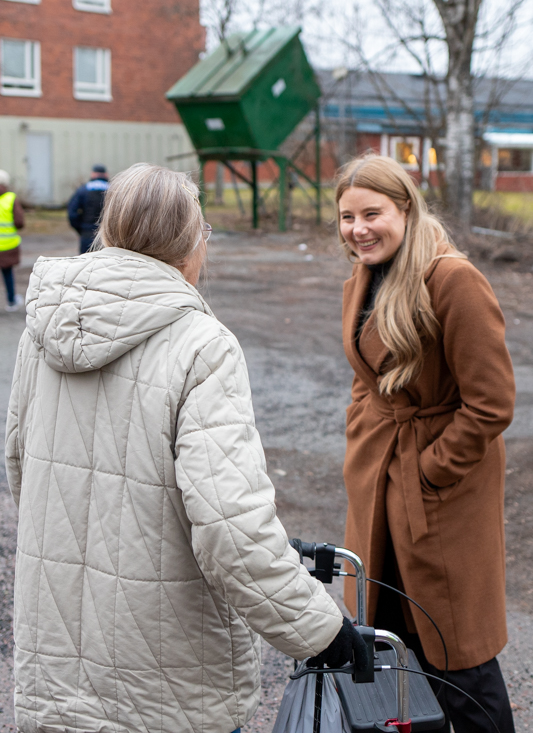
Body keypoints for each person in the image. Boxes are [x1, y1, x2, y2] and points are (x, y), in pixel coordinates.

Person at [5, 163, 367, 733]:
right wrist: (320, 631)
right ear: (191, 244)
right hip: (167, 681)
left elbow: (24, 475)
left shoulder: (38, 334)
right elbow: (231, 529)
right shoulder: (203, 345)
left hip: (56, 669)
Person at [336, 154, 516, 733]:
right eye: (346, 217)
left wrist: (432, 471)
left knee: (458, 657)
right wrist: (361, 441)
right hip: (379, 485)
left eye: (372, 213)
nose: (358, 228)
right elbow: (366, 381)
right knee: (394, 643)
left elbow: (492, 402)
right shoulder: (362, 278)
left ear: (406, 209)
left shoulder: (453, 279)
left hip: (440, 495)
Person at [68, 164, 109, 253]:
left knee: (85, 263)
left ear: (93, 174)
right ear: (105, 175)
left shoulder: (83, 190)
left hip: (87, 233)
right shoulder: (114, 189)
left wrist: (80, 229)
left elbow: (72, 213)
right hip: (108, 235)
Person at [0, 170, 25, 312]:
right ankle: (11, 301)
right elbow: (19, 222)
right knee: (7, 274)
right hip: (7, 245)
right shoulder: (11, 198)